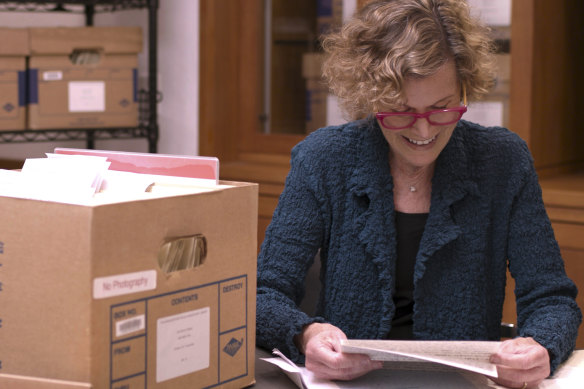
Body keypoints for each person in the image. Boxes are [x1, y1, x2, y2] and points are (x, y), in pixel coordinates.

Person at [256, 0, 582, 388]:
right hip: (344, 383)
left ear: (464, 88)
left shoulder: (503, 162)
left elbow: (552, 299)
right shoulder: (324, 159)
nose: (424, 131)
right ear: (371, 96)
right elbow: (263, 293)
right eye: (402, 111)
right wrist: (305, 334)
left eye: (442, 109)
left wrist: (541, 345)